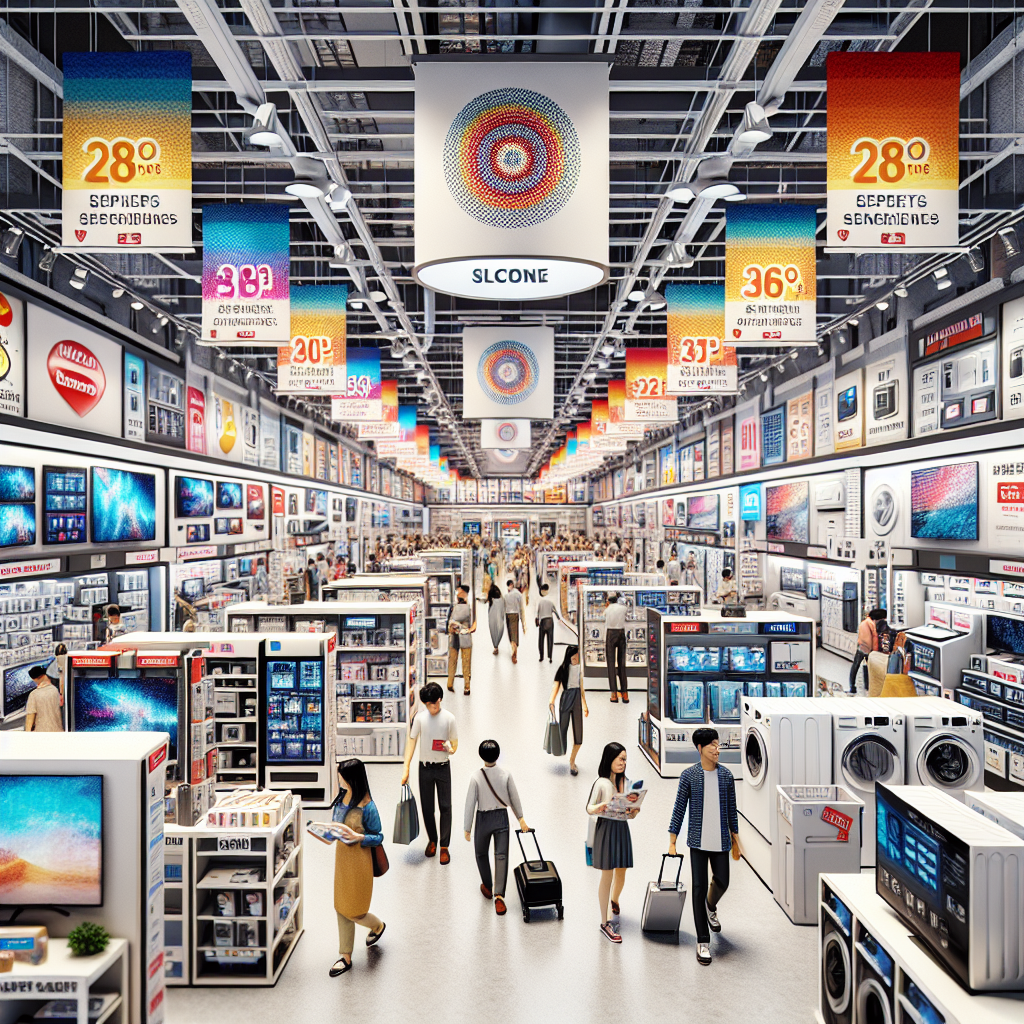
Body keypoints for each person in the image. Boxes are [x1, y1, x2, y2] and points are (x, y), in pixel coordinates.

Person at [667, 727, 741, 966]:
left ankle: (712, 905)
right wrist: (672, 841)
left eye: (718, 745)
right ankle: (702, 940)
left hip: (721, 841)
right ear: (700, 748)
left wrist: (736, 841)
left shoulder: (726, 776)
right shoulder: (689, 776)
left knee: (723, 881)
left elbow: (732, 811)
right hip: (697, 842)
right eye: (712, 745)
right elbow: (679, 809)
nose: (717, 749)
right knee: (698, 888)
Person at [323, 759, 385, 976]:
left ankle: (377, 926)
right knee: (341, 906)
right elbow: (335, 824)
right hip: (342, 859)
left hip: (360, 861)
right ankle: (346, 956)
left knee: (356, 910)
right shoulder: (341, 798)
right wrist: (326, 832)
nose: (339, 778)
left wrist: (360, 836)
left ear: (352, 778)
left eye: (342, 775)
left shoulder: (368, 806)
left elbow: (378, 836)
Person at [464, 739, 529, 917]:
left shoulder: (476, 777)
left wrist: (467, 827)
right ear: (498, 755)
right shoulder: (506, 774)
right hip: (501, 818)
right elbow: (514, 798)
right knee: (501, 856)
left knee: (481, 853)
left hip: (483, 818)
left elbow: (470, 804)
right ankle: (499, 895)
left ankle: (487, 884)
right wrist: (521, 818)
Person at [587, 742, 639, 943]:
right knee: (607, 874)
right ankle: (605, 921)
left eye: (625, 759)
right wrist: (603, 805)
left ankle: (614, 900)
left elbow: (630, 816)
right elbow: (589, 808)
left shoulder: (626, 783)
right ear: (610, 759)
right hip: (607, 830)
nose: (623, 763)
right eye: (620, 759)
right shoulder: (601, 783)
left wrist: (633, 811)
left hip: (621, 828)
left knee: (622, 870)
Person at [401, 682, 458, 863]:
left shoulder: (449, 718)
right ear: (425, 704)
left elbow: (455, 744)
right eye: (431, 704)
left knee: (445, 806)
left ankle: (444, 846)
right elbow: (412, 741)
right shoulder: (420, 719)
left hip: (442, 767)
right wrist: (406, 766)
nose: (435, 706)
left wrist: (450, 748)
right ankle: (432, 839)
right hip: (424, 767)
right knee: (427, 807)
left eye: (437, 702)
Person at [548, 645, 588, 776]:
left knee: (578, 734)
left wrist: (584, 705)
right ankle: (560, 749)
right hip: (566, 698)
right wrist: (551, 700)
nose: (575, 658)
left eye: (577, 655)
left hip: (576, 699)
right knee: (562, 729)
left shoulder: (580, 670)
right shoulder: (563, 669)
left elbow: (581, 689)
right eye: (573, 656)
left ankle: (572, 760)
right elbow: (556, 685)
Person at [851, 608, 888, 692]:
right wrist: (874, 652)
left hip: (861, 647)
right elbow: (872, 640)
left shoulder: (865, 623)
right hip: (867, 649)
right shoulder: (871, 625)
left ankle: (853, 686)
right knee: (867, 667)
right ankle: (865, 685)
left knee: (856, 666)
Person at [448, 585, 475, 694]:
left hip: (455, 637)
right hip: (465, 638)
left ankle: (450, 683)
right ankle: (466, 687)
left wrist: (453, 625)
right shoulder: (468, 607)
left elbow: (453, 620)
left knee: (452, 661)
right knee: (466, 663)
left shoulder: (460, 607)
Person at [604, 594, 629, 704]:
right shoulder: (623, 608)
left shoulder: (607, 609)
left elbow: (604, 616)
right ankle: (625, 693)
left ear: (609, 601)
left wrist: (607, 606)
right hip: (621, 633)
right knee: (621, 663)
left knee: (611, 663)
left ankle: (614, 693)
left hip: (610, 633)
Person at [24, 665, 63, 732]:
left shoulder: (34, 695)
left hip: (41, 734)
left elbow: (30, 718)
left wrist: (27, 733)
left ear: (35, 679)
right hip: (58, 732)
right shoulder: (56, 690)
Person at [535, 583, 562, 663]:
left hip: (543, 622)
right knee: (550, 639)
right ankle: (550, 657)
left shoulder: (539, 601)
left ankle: (541, 656)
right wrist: (558, 618)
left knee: (541, 640)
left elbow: (537, 613)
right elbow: (555, 611)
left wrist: (537, 620)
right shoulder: (550, 601)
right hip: (550, 621)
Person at [504, 579, 526, 664]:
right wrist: (523, 622)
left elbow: (504, 607)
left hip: (507, 615)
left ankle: (514, 652)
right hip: (515, 615)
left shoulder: (506, 596)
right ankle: (514, 652)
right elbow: (521, 609)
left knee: (511, 635)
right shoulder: (519, 595)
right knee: (514, 634)